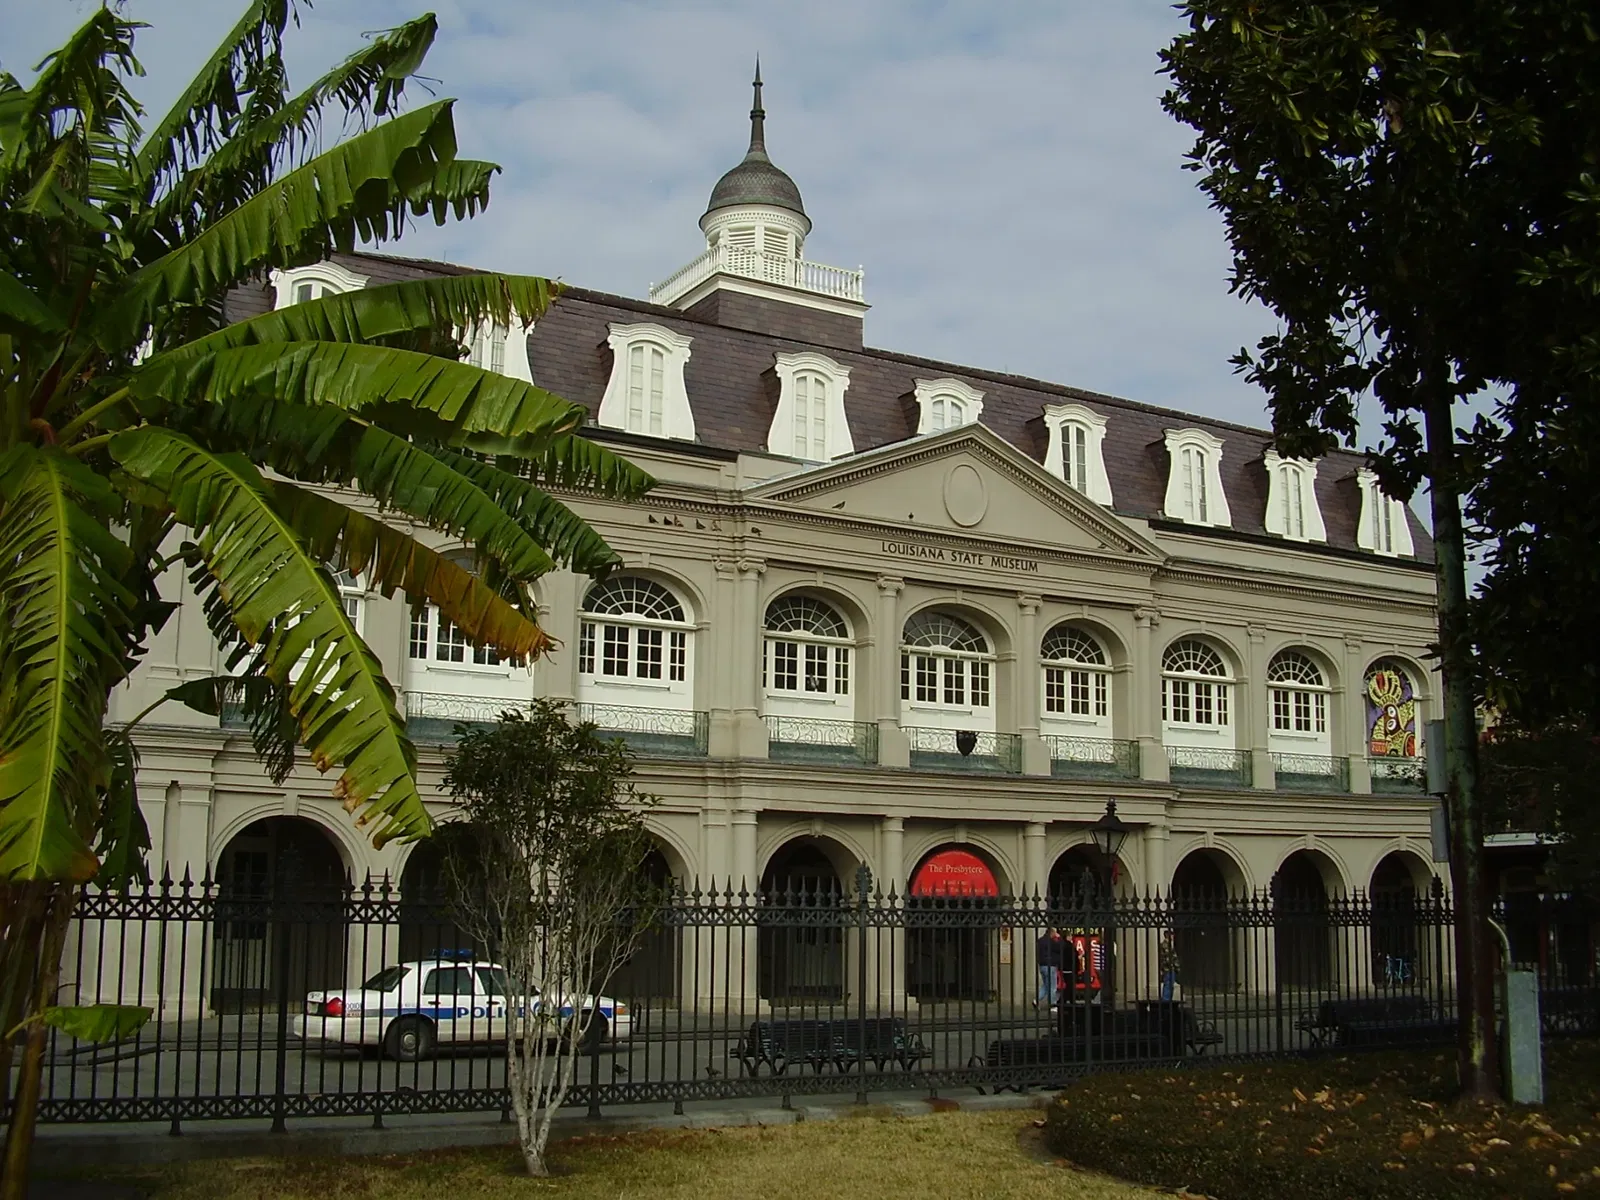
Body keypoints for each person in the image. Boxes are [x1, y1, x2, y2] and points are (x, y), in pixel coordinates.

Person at [1036, 927, 1065, 1009]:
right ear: (1051, 933)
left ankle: (1036, 1000)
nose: (1055, 934)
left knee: (1046, 986)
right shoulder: (1051, 942)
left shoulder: (1040, 940)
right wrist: (1059, 938)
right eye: (1054, 933)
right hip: (1051, 965)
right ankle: (1052, 1005)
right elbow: (1061, 947)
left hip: (1042, 966)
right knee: (1052, 986)